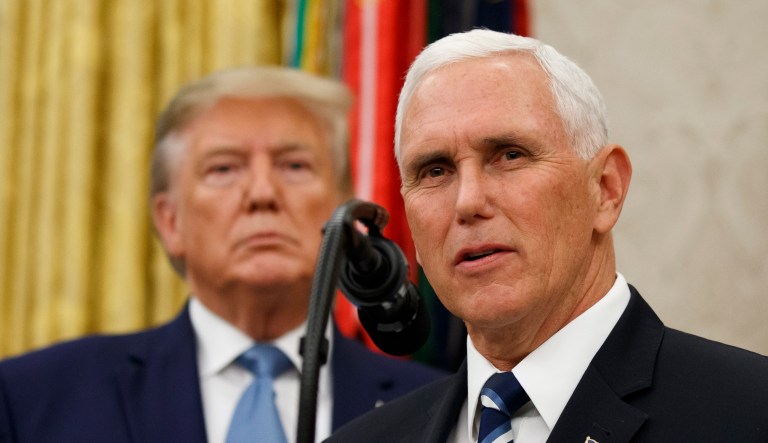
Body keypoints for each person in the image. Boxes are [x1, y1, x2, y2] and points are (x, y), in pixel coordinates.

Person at [326, 29, 768, 443]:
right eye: (435, 170)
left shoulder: (749, 412)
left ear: (605, 190)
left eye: (509, 155)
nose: (466, 202)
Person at [0, 66, 445, 443]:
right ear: (170, 221)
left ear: (348, 212)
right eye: (224, 168)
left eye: (294, 165)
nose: (262, 193)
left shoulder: (440, 415)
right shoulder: (34, 398)